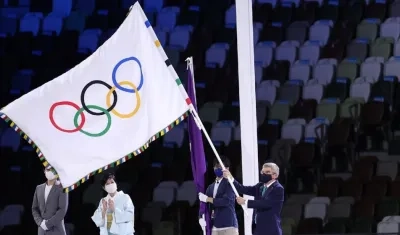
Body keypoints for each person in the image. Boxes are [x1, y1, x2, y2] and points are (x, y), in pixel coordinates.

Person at [223, 162, 284, 235]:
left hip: (270, 229)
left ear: (275, 175)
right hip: (257, 229)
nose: (263, 174)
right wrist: (231, 178)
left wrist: (246, 202)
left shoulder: (278, 188)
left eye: (267, 172)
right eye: (262, 172)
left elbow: (266, 204)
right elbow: (243, 189)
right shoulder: (260, 186)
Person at [198, 157, 238, 235]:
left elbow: (226, 201)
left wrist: (207, 199)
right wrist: (200, 217)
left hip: (229, 226)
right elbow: (203, 204)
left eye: (220, 167)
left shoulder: (230, 184)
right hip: (215, 227)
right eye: (216, 167)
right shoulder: (210, 187)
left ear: (227, 169)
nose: (217, 169)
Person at [32, 166, 68, 235]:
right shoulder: (39, 188)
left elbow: (62, 210)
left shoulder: (62, 188)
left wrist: (47, 224)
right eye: (48, 169)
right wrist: (40, 222)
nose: (50, 171)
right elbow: (34, 208)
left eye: (52, 170)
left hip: (56, 230)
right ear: (44, 171)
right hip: (41, 231)